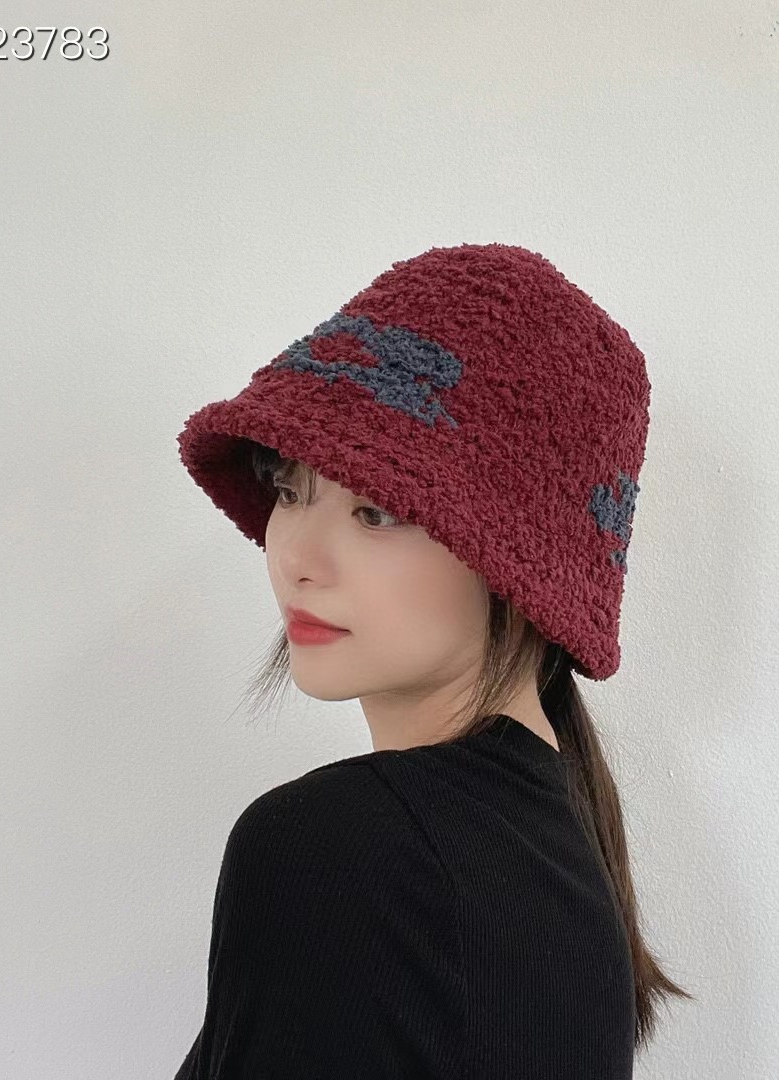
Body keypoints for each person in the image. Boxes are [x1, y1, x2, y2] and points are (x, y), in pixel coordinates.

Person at [172, 242, 693, 1079]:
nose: (297, 556)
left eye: (376, 511)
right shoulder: (562, 857)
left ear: (517, 562)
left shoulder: (341, 847)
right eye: (290, 488)